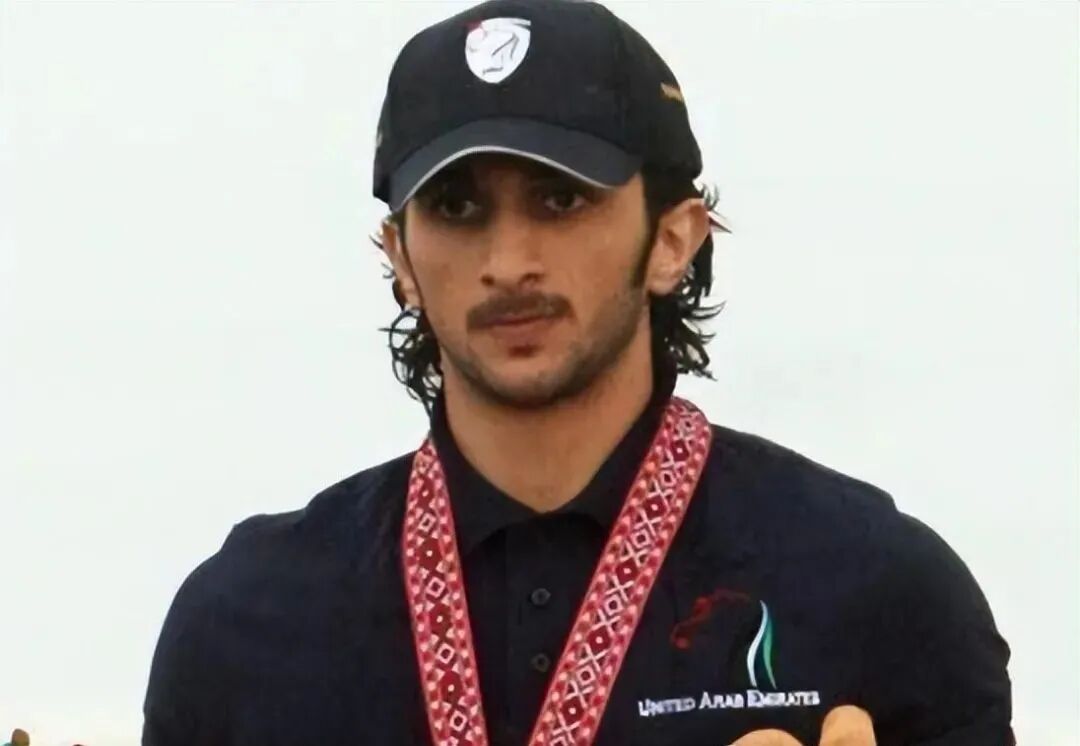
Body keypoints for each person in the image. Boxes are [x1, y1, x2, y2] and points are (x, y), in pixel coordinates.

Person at [141, 1, 1013, 744]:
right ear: (399, 257)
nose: (507, 262)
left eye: (561, 199)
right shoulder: (244, 621)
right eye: (456, 206)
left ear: (672, 239)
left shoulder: (879, 590)